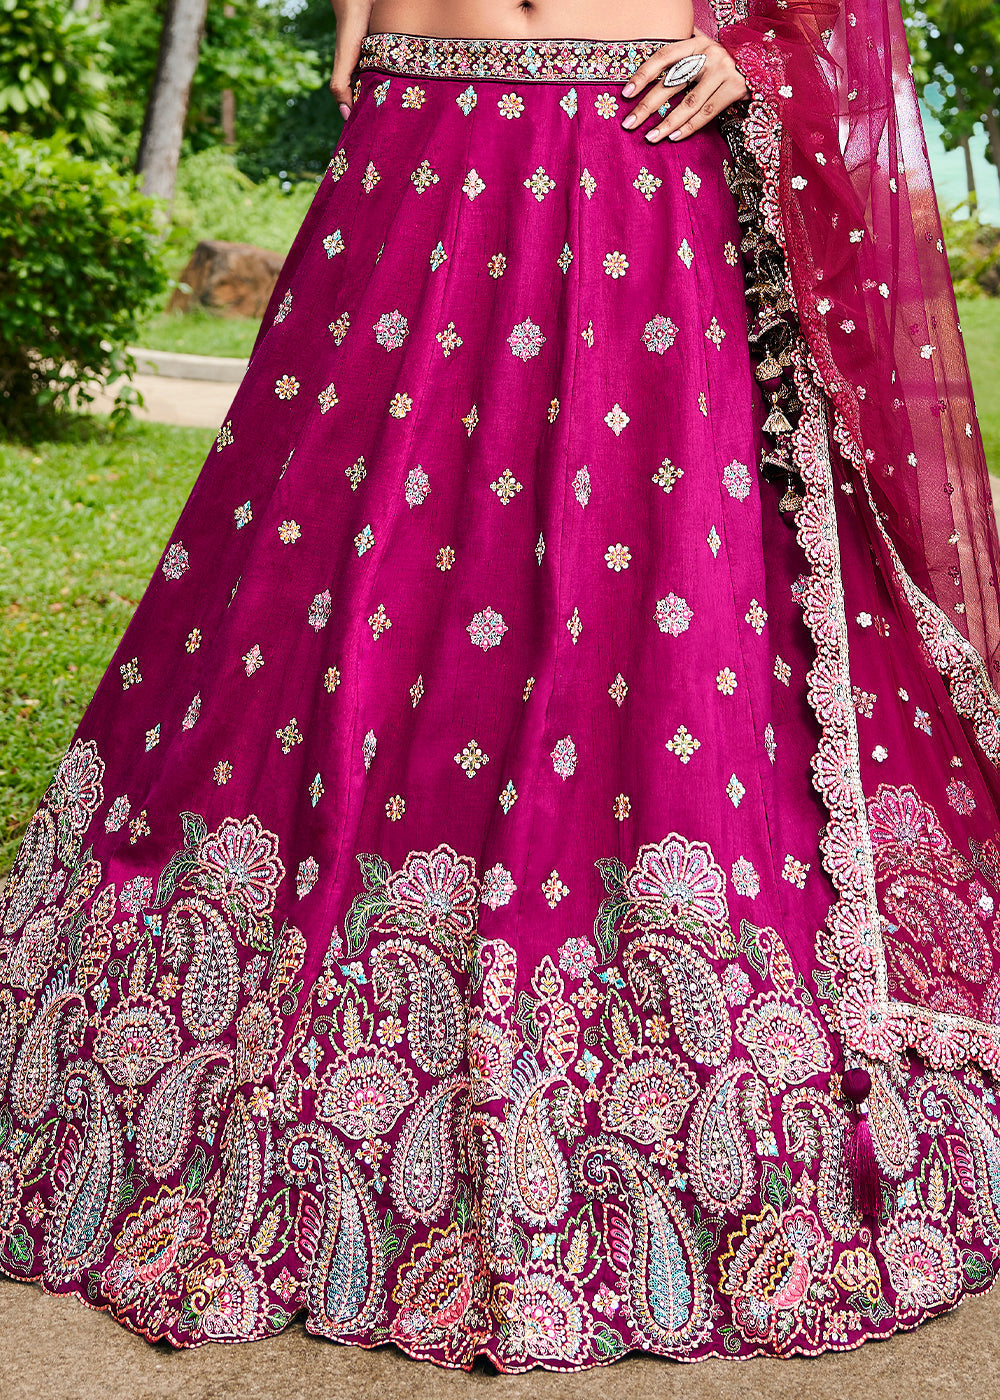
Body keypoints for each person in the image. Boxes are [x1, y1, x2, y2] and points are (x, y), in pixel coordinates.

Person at [2, 0, 1000, 1372]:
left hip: (630, 134)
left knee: (617, 596)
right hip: (417, 124)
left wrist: (762, 56)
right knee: (338, 594)